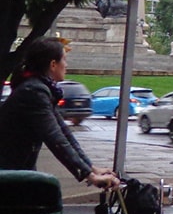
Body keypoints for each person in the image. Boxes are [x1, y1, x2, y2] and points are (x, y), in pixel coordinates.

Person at [0, 37, 119, 191]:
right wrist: (90, 176)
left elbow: (64, 133)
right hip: (8, 172)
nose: (66, 65)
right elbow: (55, 139)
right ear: (53, 64)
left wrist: (91, 168)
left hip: (14, 170)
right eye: (64, 59)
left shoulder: (38, 88)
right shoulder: (34, 92)